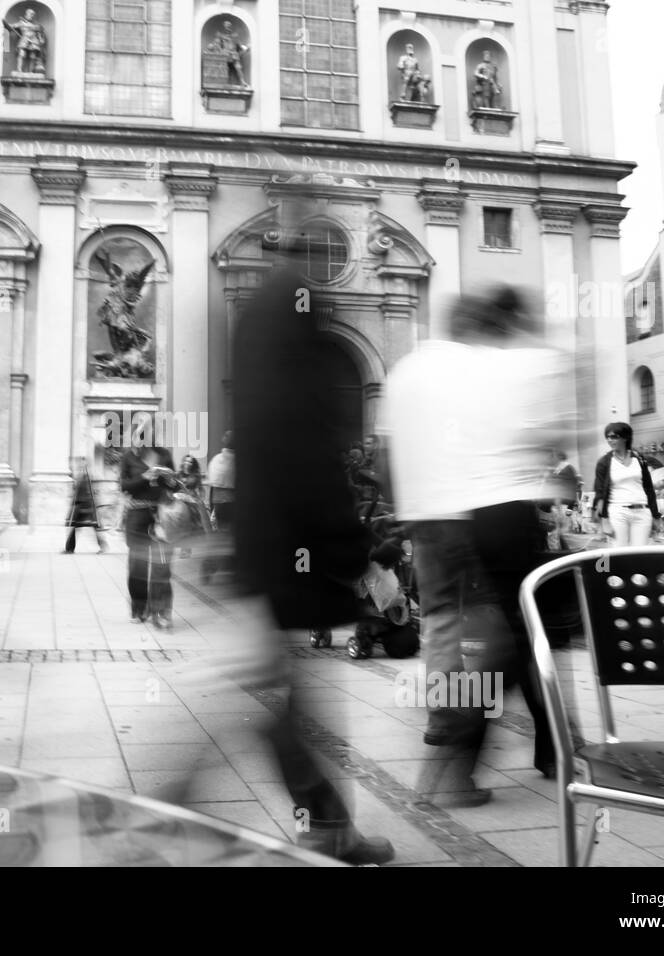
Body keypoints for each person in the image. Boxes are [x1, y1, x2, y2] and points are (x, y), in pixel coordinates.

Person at [232, 231, 395, 865]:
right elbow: (308, 454)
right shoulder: (293, 322)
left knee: (277, 699)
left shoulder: (259, 318)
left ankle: (328, 824)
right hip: (286, 555)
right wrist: (356, 552)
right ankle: (327, 825)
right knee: (270, 704)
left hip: (264, 552)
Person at [384, 288, 564, 805]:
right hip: (473, 514)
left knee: (443, 628)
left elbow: (385, 452)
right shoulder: (481, 366)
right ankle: (464, 755)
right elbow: (523, 439)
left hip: (425, 518)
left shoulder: (407, 370)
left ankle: (449, 728)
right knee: (498, 634)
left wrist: (406, 510)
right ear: (481, 327)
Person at [120, 446, 179, 625]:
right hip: (136, 516)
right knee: (137, 567)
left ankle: (161, 611)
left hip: (161, 516)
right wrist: (145, 477)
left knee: (162, 565)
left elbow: (176, 486)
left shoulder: (164, 454)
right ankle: (139, 609)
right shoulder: (129, 457)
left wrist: (170, 480)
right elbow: (124, 486)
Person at [593, 423, 661, 548]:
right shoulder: (604, 462)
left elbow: (648, 488)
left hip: (642, 511)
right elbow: (600, 492)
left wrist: (656, 515)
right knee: (619, 552)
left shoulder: (639, 458)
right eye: (607, 437)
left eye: (614, 437)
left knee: (640, 553)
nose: (609, 440)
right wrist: (604, 519)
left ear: (625, 437)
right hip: (618, 511)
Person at [203, 432, 235, 582]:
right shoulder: (237, 461)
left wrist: (211, 508)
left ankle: (210, 566)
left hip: (218, 503)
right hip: (232, 503)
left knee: (219, 537)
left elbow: (212, 486)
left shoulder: (215, 460)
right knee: (230, 536)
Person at [63, 457, 107, 554]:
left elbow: (93, 492)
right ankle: (69, 548)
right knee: (76, 526)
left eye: (82, 463)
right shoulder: (81, 476)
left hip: (87, 507)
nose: (80, 465)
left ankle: (103, 546)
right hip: (81, 507)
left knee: (94, 526)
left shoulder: (89, 477)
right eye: (80, 463)